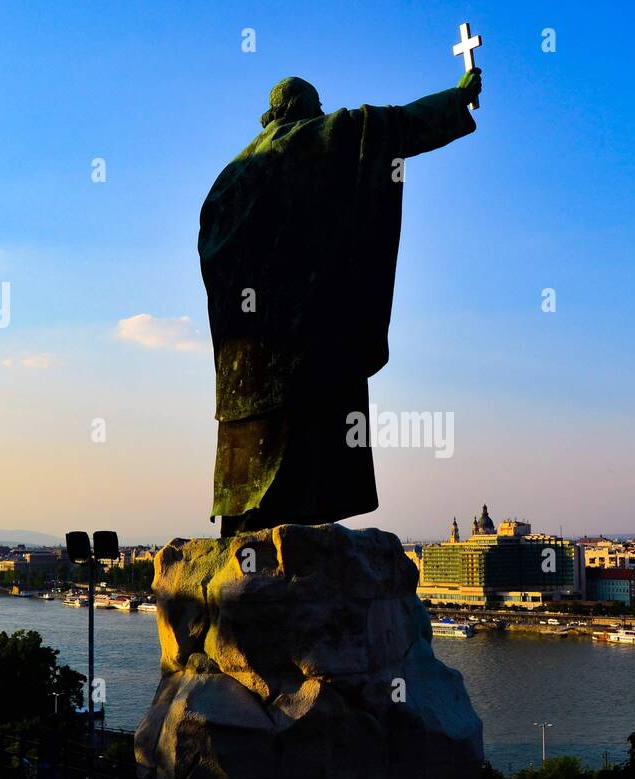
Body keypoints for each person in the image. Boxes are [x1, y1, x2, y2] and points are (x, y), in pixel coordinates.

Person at [200, 69, 483, 535]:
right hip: (301, 338)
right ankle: (301, 545)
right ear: (305, 110)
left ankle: (251, 535)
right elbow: (394, 125)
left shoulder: (229, 177)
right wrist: (455, 100)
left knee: (254, 466)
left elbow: (211, 251)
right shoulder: (312, 139)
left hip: (241, 363)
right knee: (309, 444)